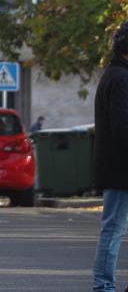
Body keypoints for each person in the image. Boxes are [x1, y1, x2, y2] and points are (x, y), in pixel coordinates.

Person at [92, 20, 128, 292]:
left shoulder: (116, 74)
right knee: (113, 229)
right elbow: (122, 128)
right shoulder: (119, 78)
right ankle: (103, 286)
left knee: (114, 229)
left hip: (120, 168)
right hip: (120, 169)